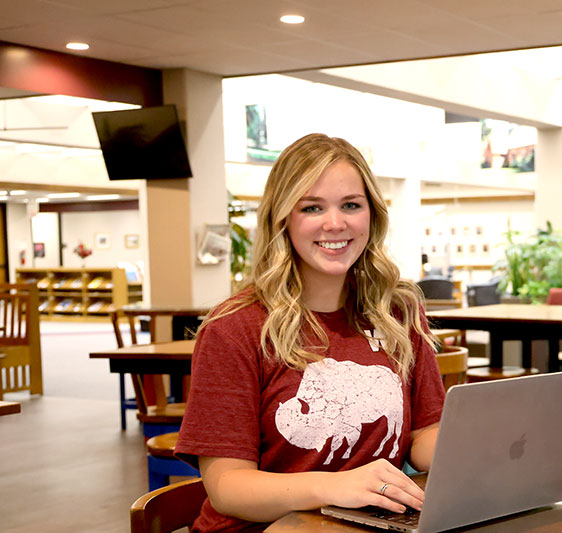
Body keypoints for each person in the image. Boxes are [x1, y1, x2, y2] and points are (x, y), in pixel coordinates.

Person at [175, 133, 446, 531]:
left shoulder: (398, 311)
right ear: (283, 218)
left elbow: (425, 433)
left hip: (366, 524)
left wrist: (479, 454)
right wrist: (336, 488)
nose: (335, 223)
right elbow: (227, 487)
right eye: (312, 207)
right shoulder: (234, 328)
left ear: (372, 215)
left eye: (351, 205)